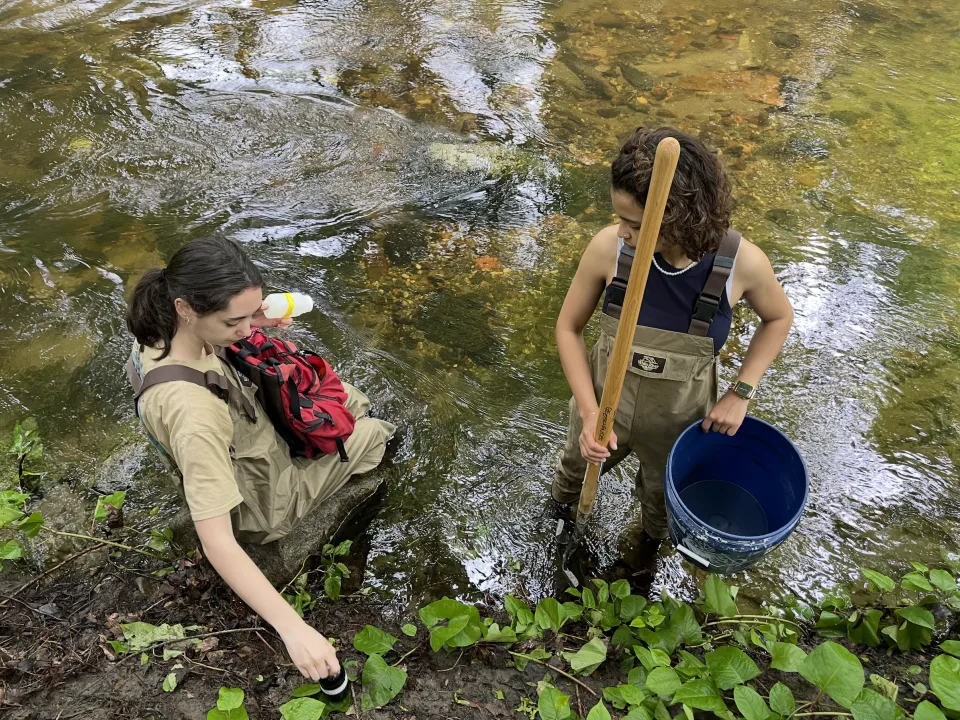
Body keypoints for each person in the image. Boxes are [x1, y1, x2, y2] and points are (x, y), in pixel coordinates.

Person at [125, 236, 396, 681]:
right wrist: (293, 629)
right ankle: (365, 442)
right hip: (262, 505)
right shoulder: (193, 413)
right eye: (236, 320)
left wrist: (250, 321)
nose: (250, 329)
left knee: (345, 396)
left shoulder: (158, 328)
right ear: (186, 308)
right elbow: (217, 542)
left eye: (252, 314)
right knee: (370, 431)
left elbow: (234, 333)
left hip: (243, 443)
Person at [552, 126, 794, 583]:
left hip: (680, 422)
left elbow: (778, 319)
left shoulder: (740, 264)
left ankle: (641, 560)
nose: (622, 233)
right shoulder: (609, 248)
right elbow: (568, 328)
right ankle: (563, 534)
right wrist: (588, 414)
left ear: (682, 215)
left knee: (659, 509)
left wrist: (741, 392)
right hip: (604, 409)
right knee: (571, 481)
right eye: (619, 218)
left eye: (637, 226)